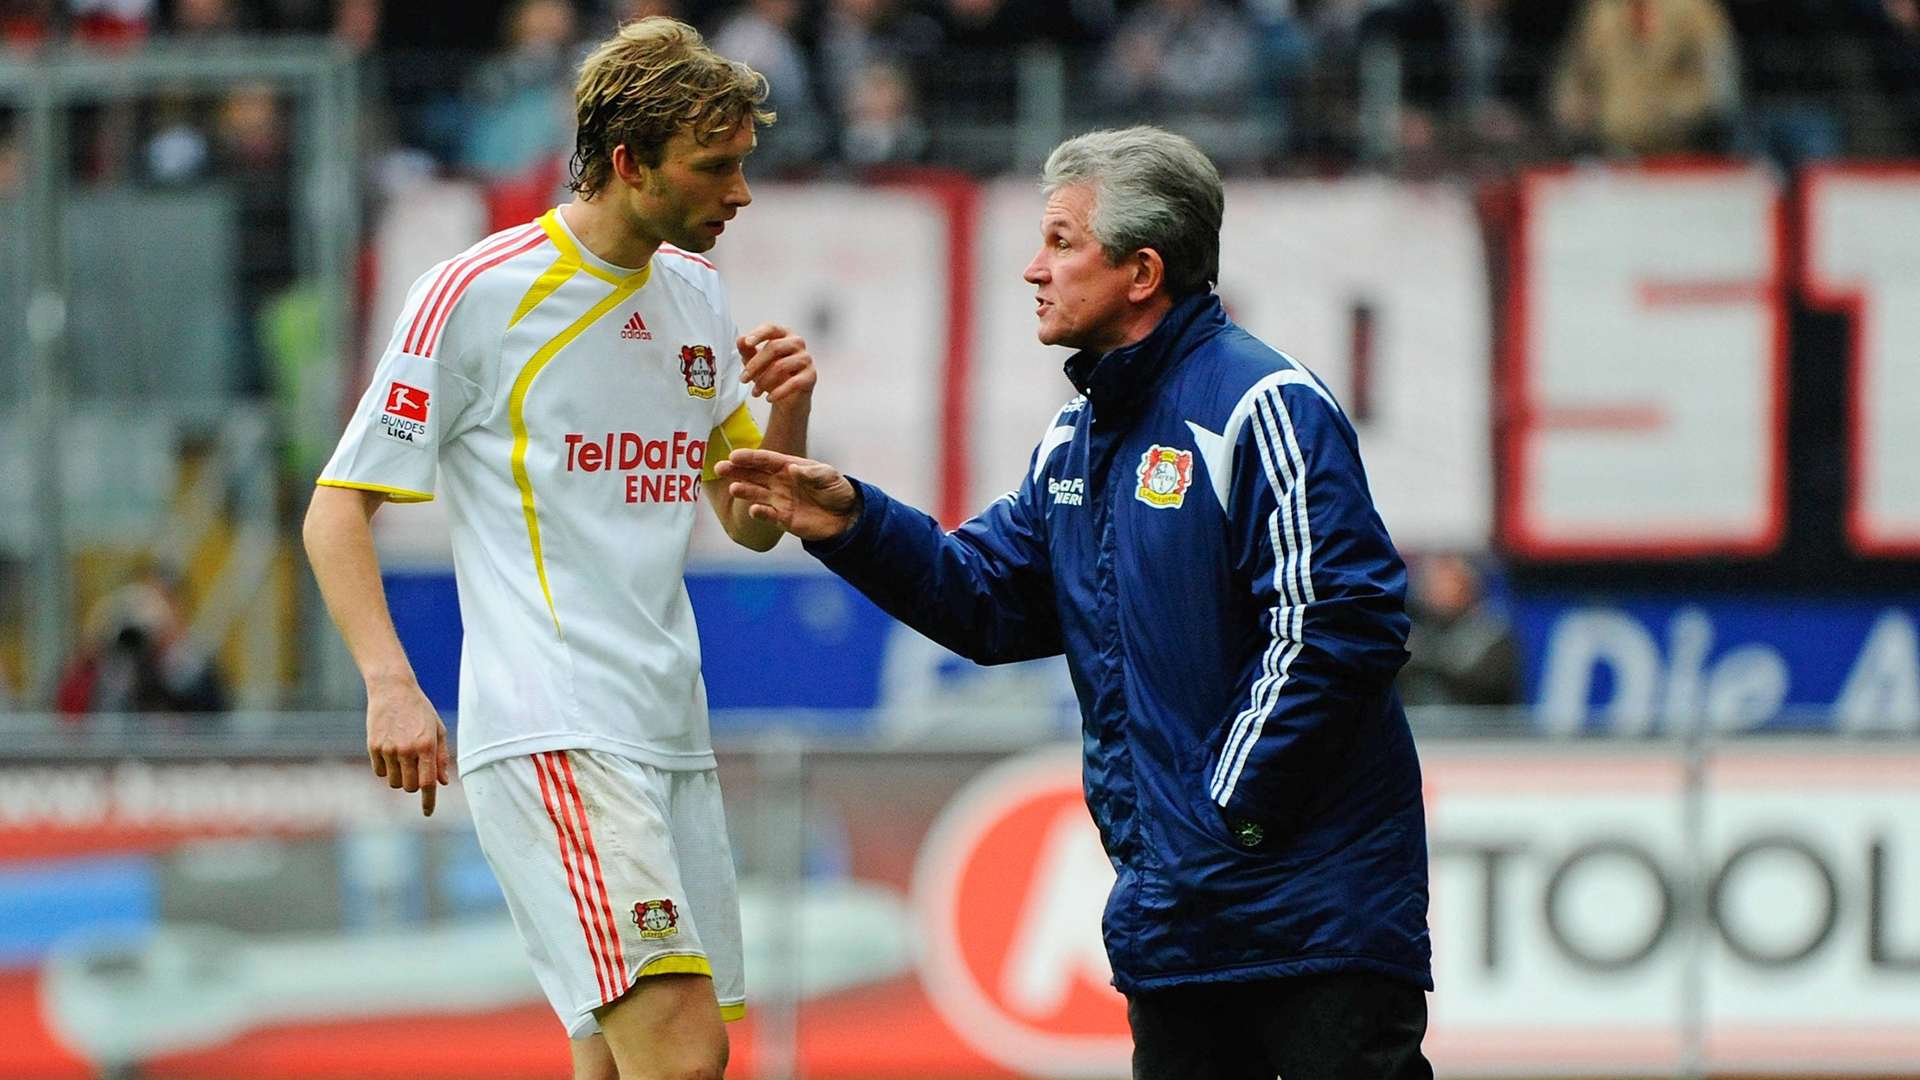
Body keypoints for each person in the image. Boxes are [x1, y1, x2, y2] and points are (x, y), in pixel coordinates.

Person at [716, 126, 1432, 1079]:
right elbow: (986, 602)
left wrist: (1230, 814)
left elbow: (1341, 619)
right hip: (1177, 923)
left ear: (1142, 270)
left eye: (1060, 241)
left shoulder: (1264, 403)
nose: (1031, 269)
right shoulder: (1075, 442)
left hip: (1311, 918)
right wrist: (850, 521)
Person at [303, 17, 814, 1080]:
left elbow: (751, 521)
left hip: (668, 726)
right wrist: (391, 686)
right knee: (682, 1050)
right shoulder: (479, 293)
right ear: (629, 163)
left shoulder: (696, 301)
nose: (740, 194)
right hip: (554, 723)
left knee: (614, 1055)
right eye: (715, 168)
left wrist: (791, 415)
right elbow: (336, 507)